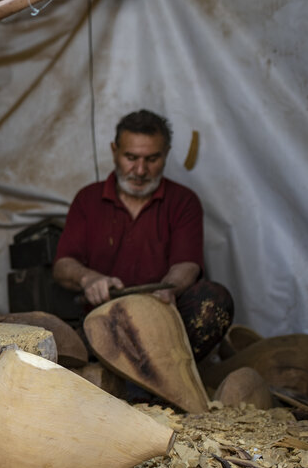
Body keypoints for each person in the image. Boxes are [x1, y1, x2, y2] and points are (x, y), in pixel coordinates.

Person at [53, 109, 233, 361]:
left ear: (167, 154)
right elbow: (63, 265)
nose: (139, 170)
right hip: (104, 322)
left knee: (214, 300)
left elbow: (187, 266)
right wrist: (89, 278)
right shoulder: (88, 199)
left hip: (163, 323)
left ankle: (163, 374)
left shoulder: (183, 201)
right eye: (131, 157)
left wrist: (169, 289)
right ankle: (133, 379)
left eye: (152, 159)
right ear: (114, 151)